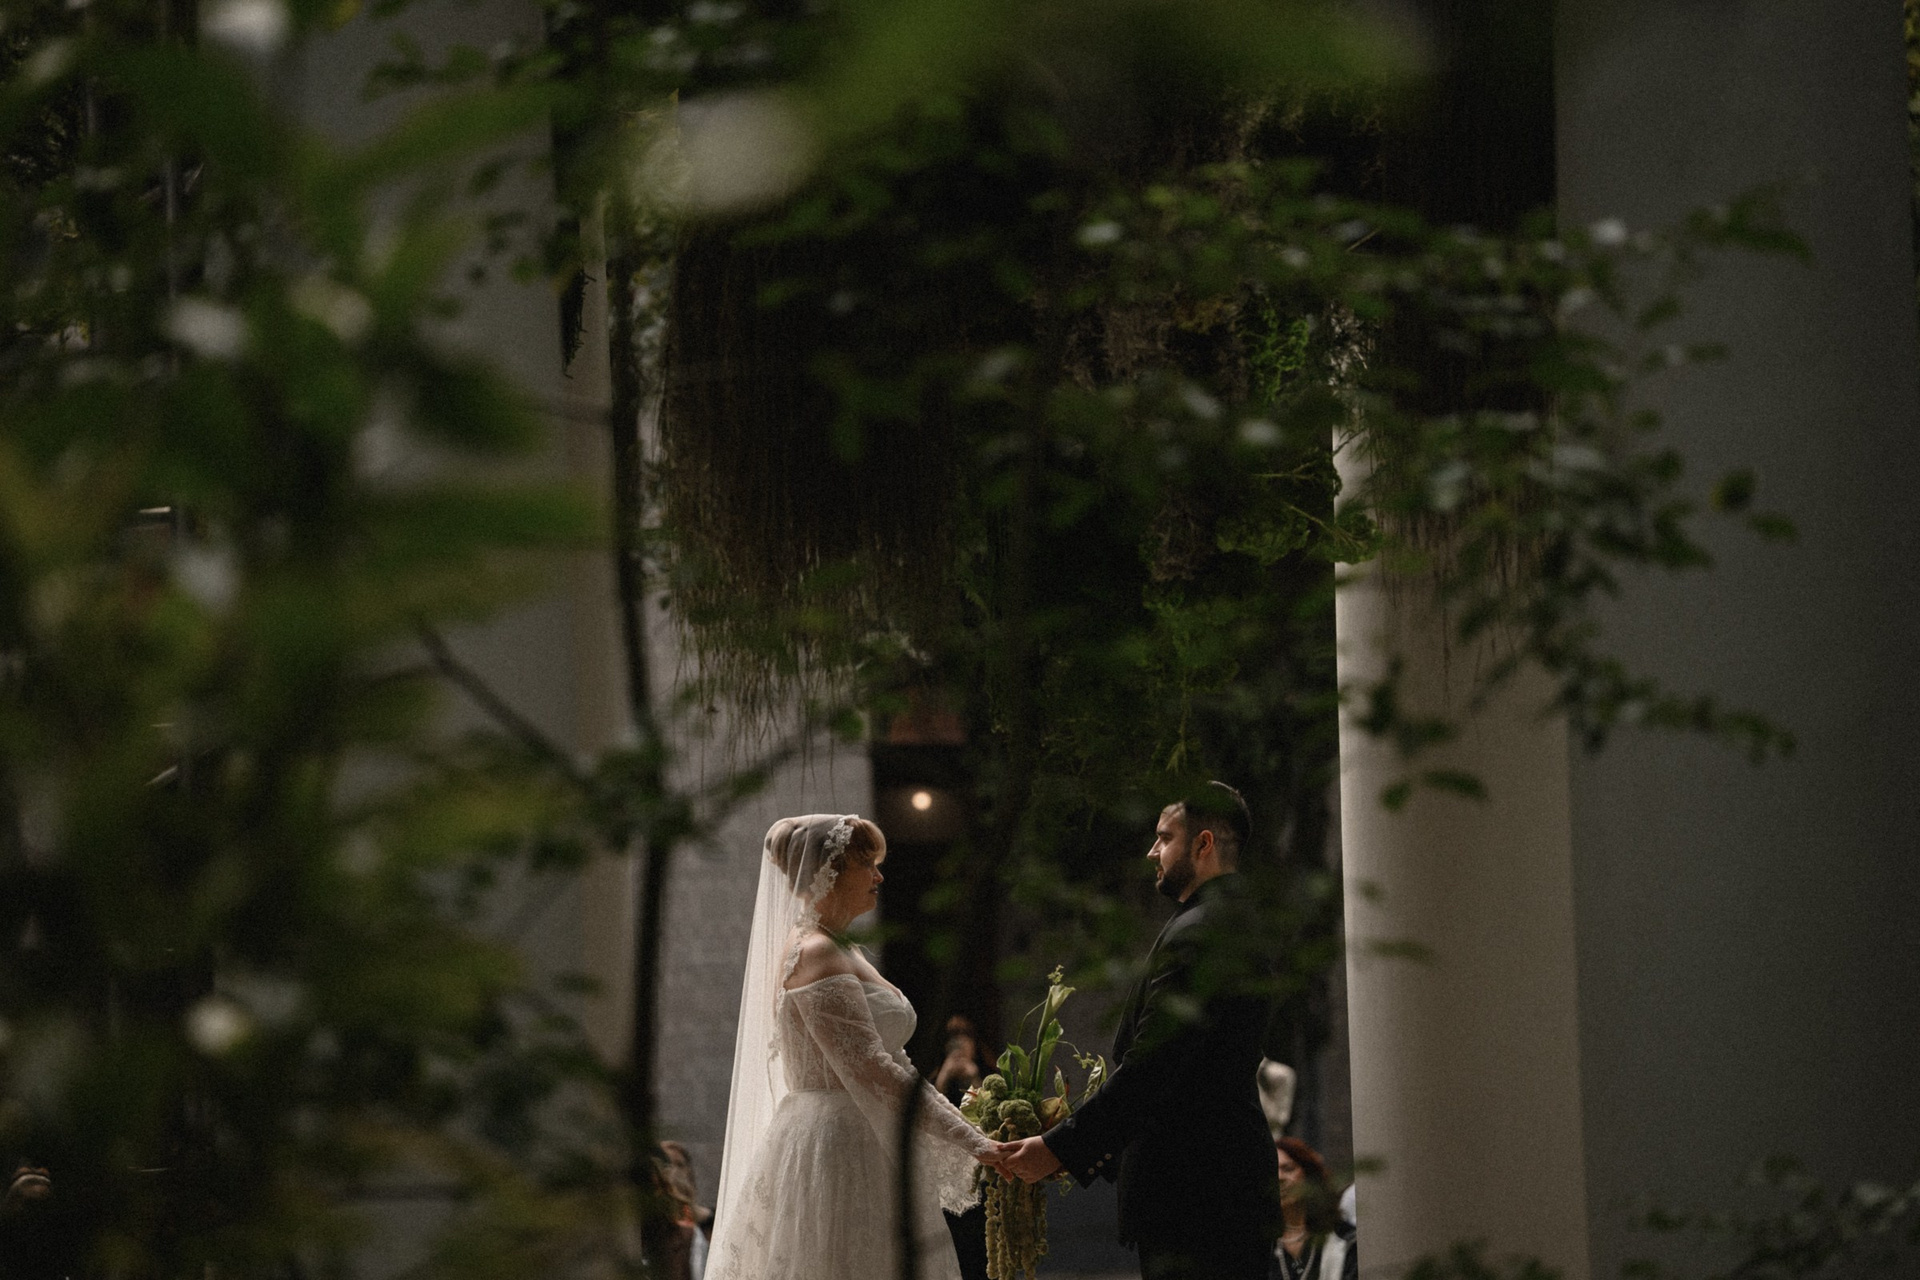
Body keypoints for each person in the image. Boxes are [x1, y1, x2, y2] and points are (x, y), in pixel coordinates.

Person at [704, 815, 1011, 1280]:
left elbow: (893, 1062)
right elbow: (873, 1068)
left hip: (860, 1132)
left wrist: (966, 1125)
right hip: (840, 1145)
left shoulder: (840, 947)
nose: (879, 877)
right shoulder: (818, 952)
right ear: (829, 872)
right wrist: (974, 1141)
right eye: (867, 864)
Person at [1001, 782, 1280, 1280]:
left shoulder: (1204, 930)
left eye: (1165, 837)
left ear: (1204, 844)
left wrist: (1059, 1147)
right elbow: (1183, 1076)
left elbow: (1155, 1066)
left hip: (1200, 1199)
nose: (1153, 851)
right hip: (1214, 1193)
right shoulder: (1223, 920)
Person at [1269, 1138, 1356, 1280]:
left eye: (1288, 1169)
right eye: (1271, 1171)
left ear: (1309, 1176)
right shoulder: (1259, 1244)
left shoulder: (1343, 1238)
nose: (1279, 1177)